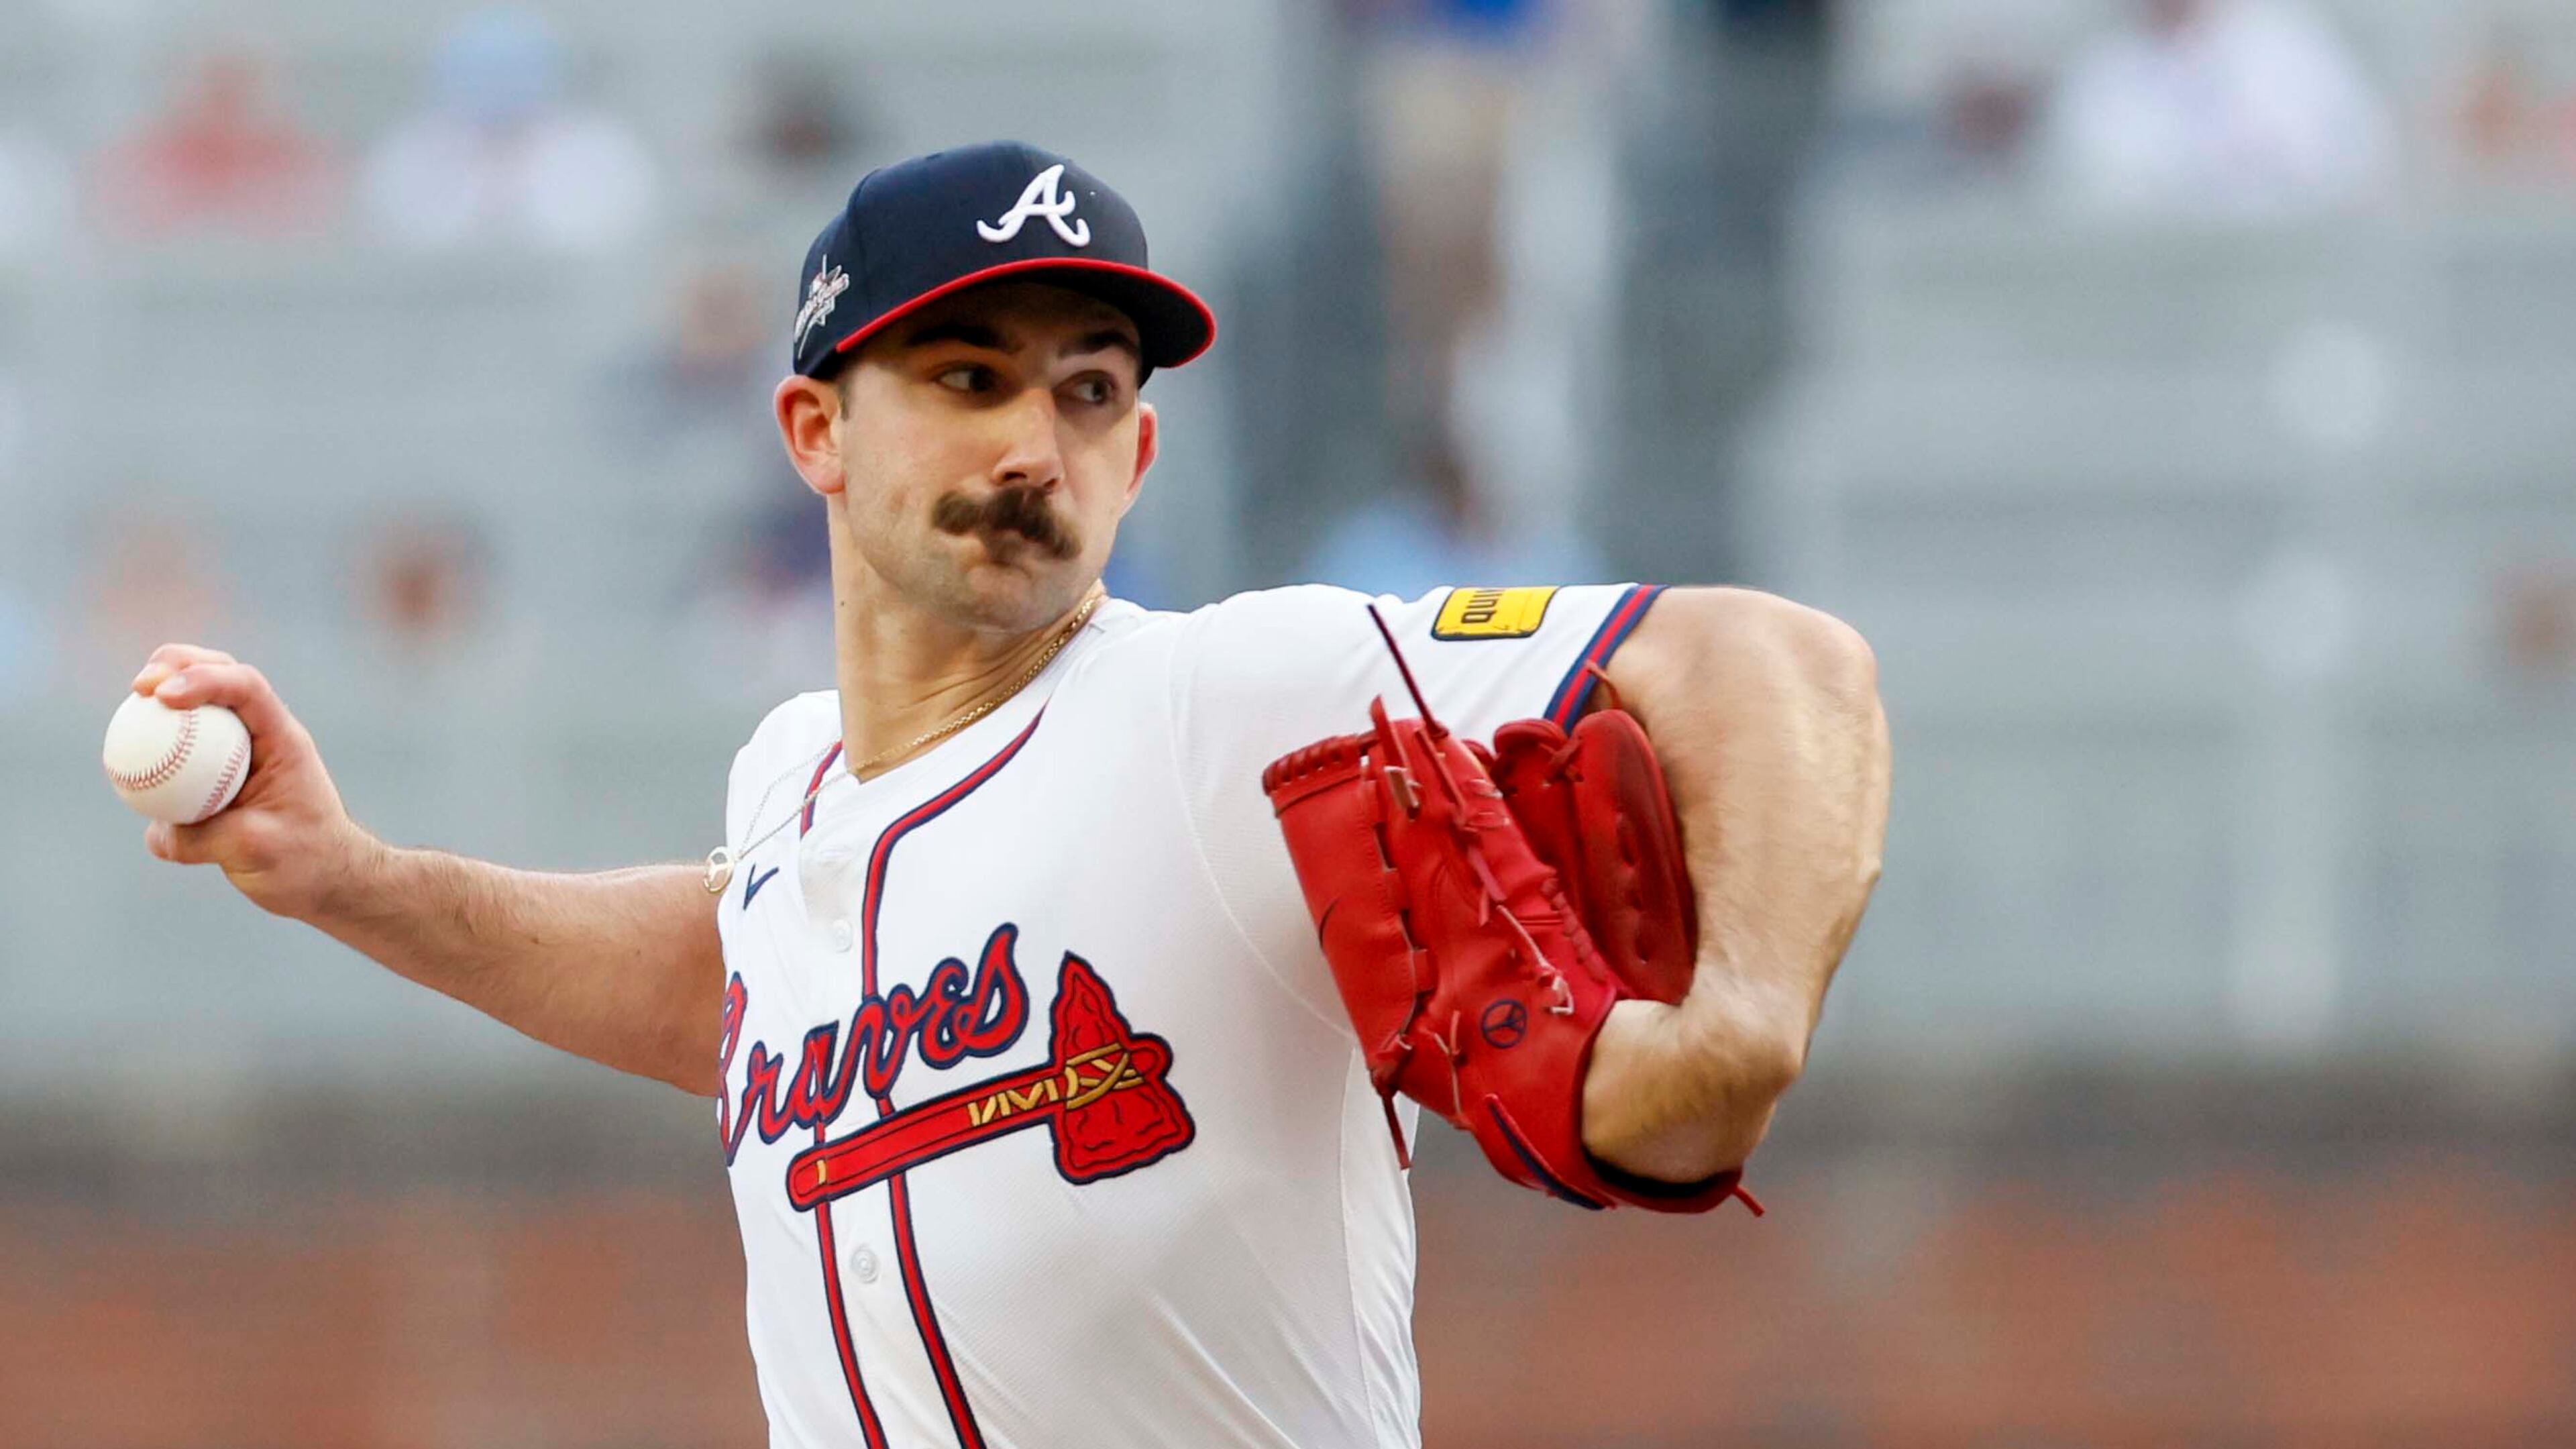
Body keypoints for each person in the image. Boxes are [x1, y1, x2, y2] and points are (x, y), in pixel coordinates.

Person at [130, 142, 1888, 1448]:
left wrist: (1739, 1026)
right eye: (967, 381)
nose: (1032, 445)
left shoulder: (1241, 698)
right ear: (816, 433)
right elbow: (735, 984)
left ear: (1141, 450)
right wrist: (347, 877)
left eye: (1089, 390)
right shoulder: (793, 780)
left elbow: (1783, 664)